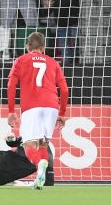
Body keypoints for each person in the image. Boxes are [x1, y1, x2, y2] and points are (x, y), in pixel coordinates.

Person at [6, 31, 68, 190]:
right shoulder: (53, 63)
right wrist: (62, 114)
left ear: (27, 47)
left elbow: (11, 84)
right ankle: (41, 175)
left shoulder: (21, 60)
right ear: (43, 48)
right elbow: (64, 90)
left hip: (31, 107)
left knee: (28, 145)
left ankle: (40, 164)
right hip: (52, 107)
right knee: (43, 144)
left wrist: (11, 110)